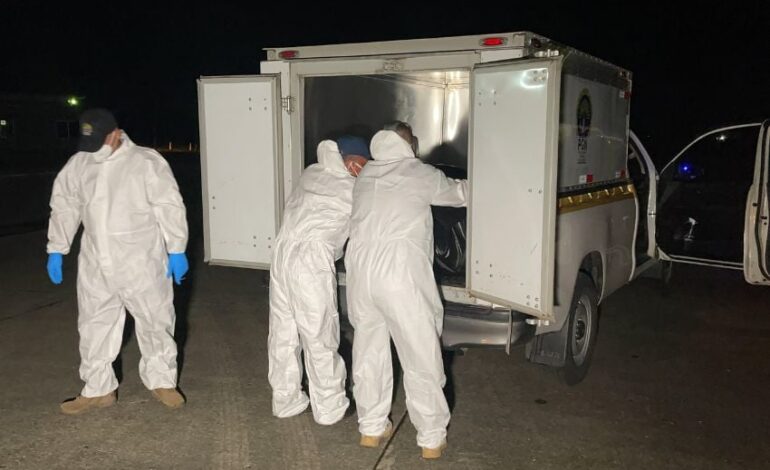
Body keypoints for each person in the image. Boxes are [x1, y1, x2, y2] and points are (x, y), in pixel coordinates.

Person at [46, 108, 189, 415]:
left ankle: (162, 380)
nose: (93, 149)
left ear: (115, 134)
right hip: (96, 262)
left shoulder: (146, 162)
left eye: (98, 140)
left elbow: (169, 205)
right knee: (94, 325)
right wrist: (57, 247)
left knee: (155, 321)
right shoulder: (80, 163)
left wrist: (177, 248)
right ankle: (98, 388)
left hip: (141, 260)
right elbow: (65, 205)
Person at [345, 128, 468, 459]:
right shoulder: (418, 172)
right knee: (420, 353)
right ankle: (431, 438)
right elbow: (459, 194)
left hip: (361, 275)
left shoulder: (367, 173)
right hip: (399, 274)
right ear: (409, 144)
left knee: (368, 351)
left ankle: (371, 429)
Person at [268, 136, 370, 425]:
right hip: (310, 259)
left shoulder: (311, 172)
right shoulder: (353, 187)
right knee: (319, 332)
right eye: (362, 164)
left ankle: (285, 399)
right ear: (350, 161)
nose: (364, 170)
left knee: (283, 331)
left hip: (282, 252)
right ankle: (330, 407)